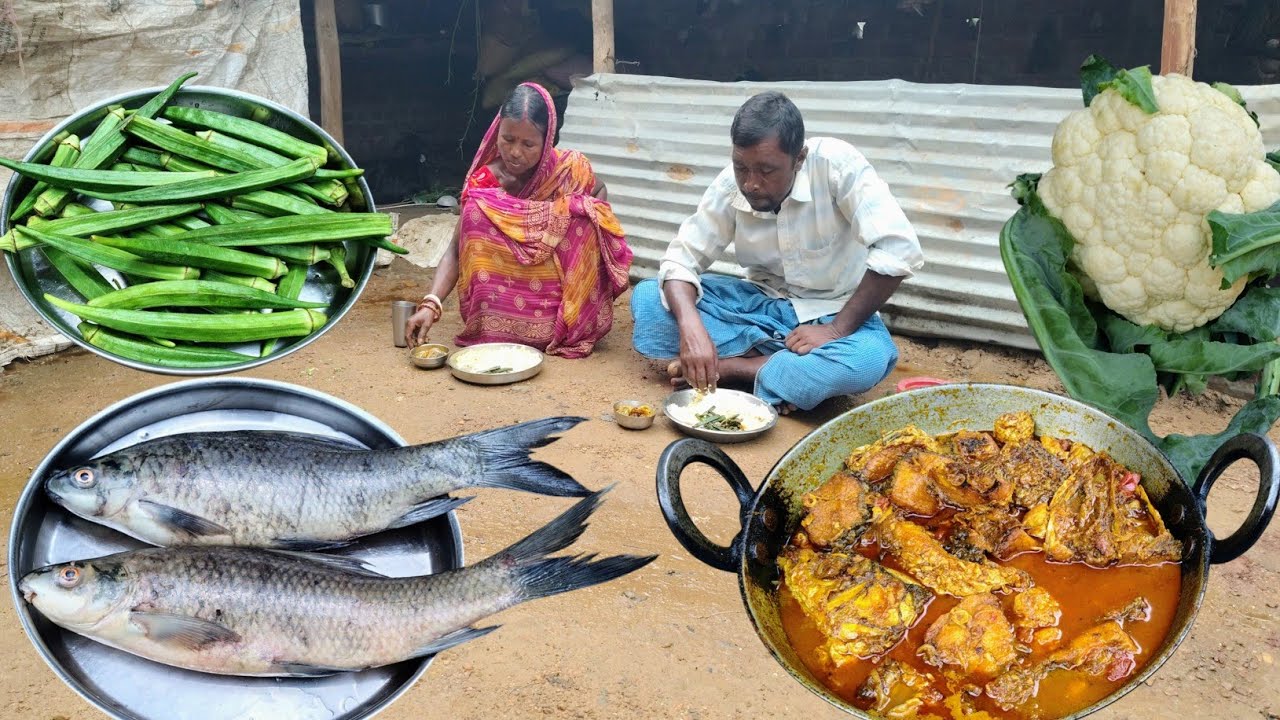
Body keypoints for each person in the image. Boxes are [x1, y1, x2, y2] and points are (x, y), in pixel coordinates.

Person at [630, 91, 924, 413]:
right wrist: (692, 329)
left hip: (831, 314)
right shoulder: (731, 183)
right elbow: (680, 260)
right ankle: (778, 372)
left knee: (868, 358)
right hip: (756, 308)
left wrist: (836, 330)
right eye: (741, 167)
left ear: (799, 158)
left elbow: (898, 249)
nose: (751, 183)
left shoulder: (837, 167)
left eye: (766, 171)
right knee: (648, 298)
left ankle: (732, 369)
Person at [404, 82, 632, 358]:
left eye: (528, 144)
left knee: (586, 215)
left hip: (555, 287)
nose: (514, 152)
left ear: (547, 142)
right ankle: (498, 327)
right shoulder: (485, 183)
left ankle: (568, 322)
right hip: (502, 297)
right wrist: (431, 304)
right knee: (475, 211)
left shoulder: (568, 169)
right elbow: (455, 250)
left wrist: (574, 234)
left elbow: (598, 194)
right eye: (508, 139)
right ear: (495, 132)